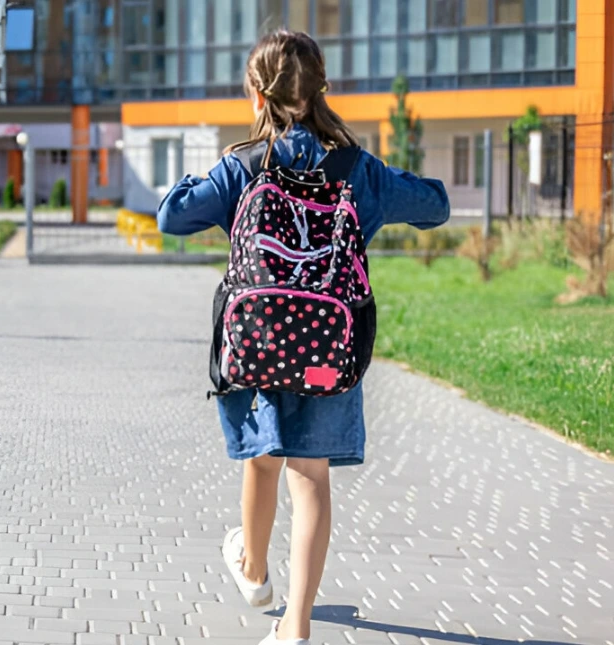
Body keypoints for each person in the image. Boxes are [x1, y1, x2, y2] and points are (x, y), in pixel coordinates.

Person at [157, 30, 450, 645]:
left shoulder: (243, 166)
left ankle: (255, 572)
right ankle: (295, 625)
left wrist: (212, 172)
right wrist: (399, 185)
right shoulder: (357, 170)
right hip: (327, 351)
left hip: (259, 345)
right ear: (323, 90)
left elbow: (172, 217)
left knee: (262, 458)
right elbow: (435, 207)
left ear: (258, 97)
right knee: (310, 475)